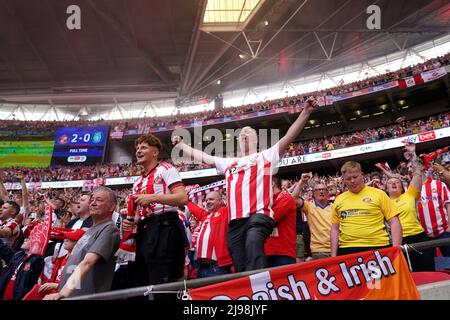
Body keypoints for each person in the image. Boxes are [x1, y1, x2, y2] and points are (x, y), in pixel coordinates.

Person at [173, 97, 318, 271]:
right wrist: (182, 146)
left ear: (257, 139)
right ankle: (247, 288)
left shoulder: (265, 156)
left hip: (259, 214)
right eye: (241, 135)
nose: (243, 135)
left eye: (248, 133)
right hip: (236, 221)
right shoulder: (229, 163)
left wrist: (306, 112)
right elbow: (204, 157)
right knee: (239, 257)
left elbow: (289, 136)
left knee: (253, 240)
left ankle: (260, 286)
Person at [122, 134, 188, 294]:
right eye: (137, 148)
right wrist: (131, 221)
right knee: (141, 281)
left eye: (143, 147)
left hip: (166, 227)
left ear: (155, 152)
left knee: (162, 283)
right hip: (146, 230)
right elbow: (138, 215)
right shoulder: (137, 182)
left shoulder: (166, 168)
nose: (138, 151)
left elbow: (182, 198)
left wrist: (152, 197)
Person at [43, 186, 120, 299]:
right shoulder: (91, 229)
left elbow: (88, 263)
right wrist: (60, 286)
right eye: (92, 200)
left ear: (112, 206)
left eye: (99, 200)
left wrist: (63, 292)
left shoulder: (109, 229)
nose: (93, 203)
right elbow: (77, 263)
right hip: (72, 294)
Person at [331, 161, 402, 256]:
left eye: (355, 177)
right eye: (348, 179)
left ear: (362, 175)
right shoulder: (339, 199)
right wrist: (333, 256)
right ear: (343, 180)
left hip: (378, 246)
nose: (352, 181)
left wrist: (396, 249)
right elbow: (335, 229)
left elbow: (394, 221)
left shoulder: (379, 194)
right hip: (347, 249)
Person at [385, 144, 435, 270]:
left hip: (418, 236)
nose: (394, 183)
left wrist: (413, 154)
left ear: (402, 187)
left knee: (426, 271)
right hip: (397, 241)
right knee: (406, 276)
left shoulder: (410, 194)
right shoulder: (382, 201)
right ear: (386, 189)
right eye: (390, 183)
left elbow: (418, 174)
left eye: (397, 182)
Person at [186, 192, 232, 278]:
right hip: (201, 268)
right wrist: (186, 199)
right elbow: (193, 207)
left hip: (217, 267)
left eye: (211, 199)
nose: (207, 202)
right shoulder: (205, 216)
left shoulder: (225, 211)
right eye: (206, 200)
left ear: (220, 201)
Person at [293, 174, 333, 260]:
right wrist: (302, 182)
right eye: (318, 190)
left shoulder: (335, 207)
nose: (321, 191)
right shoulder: (309, 207)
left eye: (323, 189)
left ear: (327, 192)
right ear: (314, 193)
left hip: (335, 249)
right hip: (319, 251)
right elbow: (294, 199)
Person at [38, 229, 85, 295]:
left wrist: (55, 285)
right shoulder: (60, 259)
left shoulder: (79, 262)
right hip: (53, 294)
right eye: (65, 237)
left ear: (79, 242)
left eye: (70, 238)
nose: (65, 239)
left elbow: (76, 286)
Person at [264, 175, 297, 267]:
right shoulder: (266, 201)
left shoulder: (286, 198)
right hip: (266, 252)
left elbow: (270, 218)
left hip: (283, 253)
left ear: (272, 184)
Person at [417, 168, 450, 257]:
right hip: (424, 235)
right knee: (431, 266)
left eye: (412, 167)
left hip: (444, 231)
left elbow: (448, 204)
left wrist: (449, 226)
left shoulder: (439, 184)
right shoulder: (411, 189)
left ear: (422, 169)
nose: (409, 170)